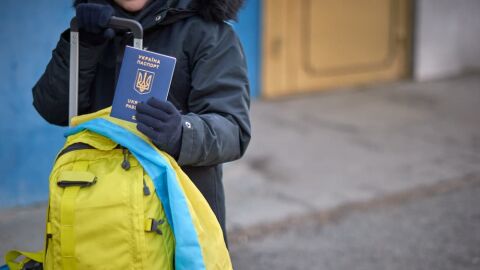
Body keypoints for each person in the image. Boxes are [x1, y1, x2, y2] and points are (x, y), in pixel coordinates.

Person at [32, 0, 251, 243]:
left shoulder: (208, 33)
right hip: (98, 213)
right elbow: (52, 107)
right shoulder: (91, 29)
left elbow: (233, 130)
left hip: (177, 219)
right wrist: (84, 45)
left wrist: (182, 133)